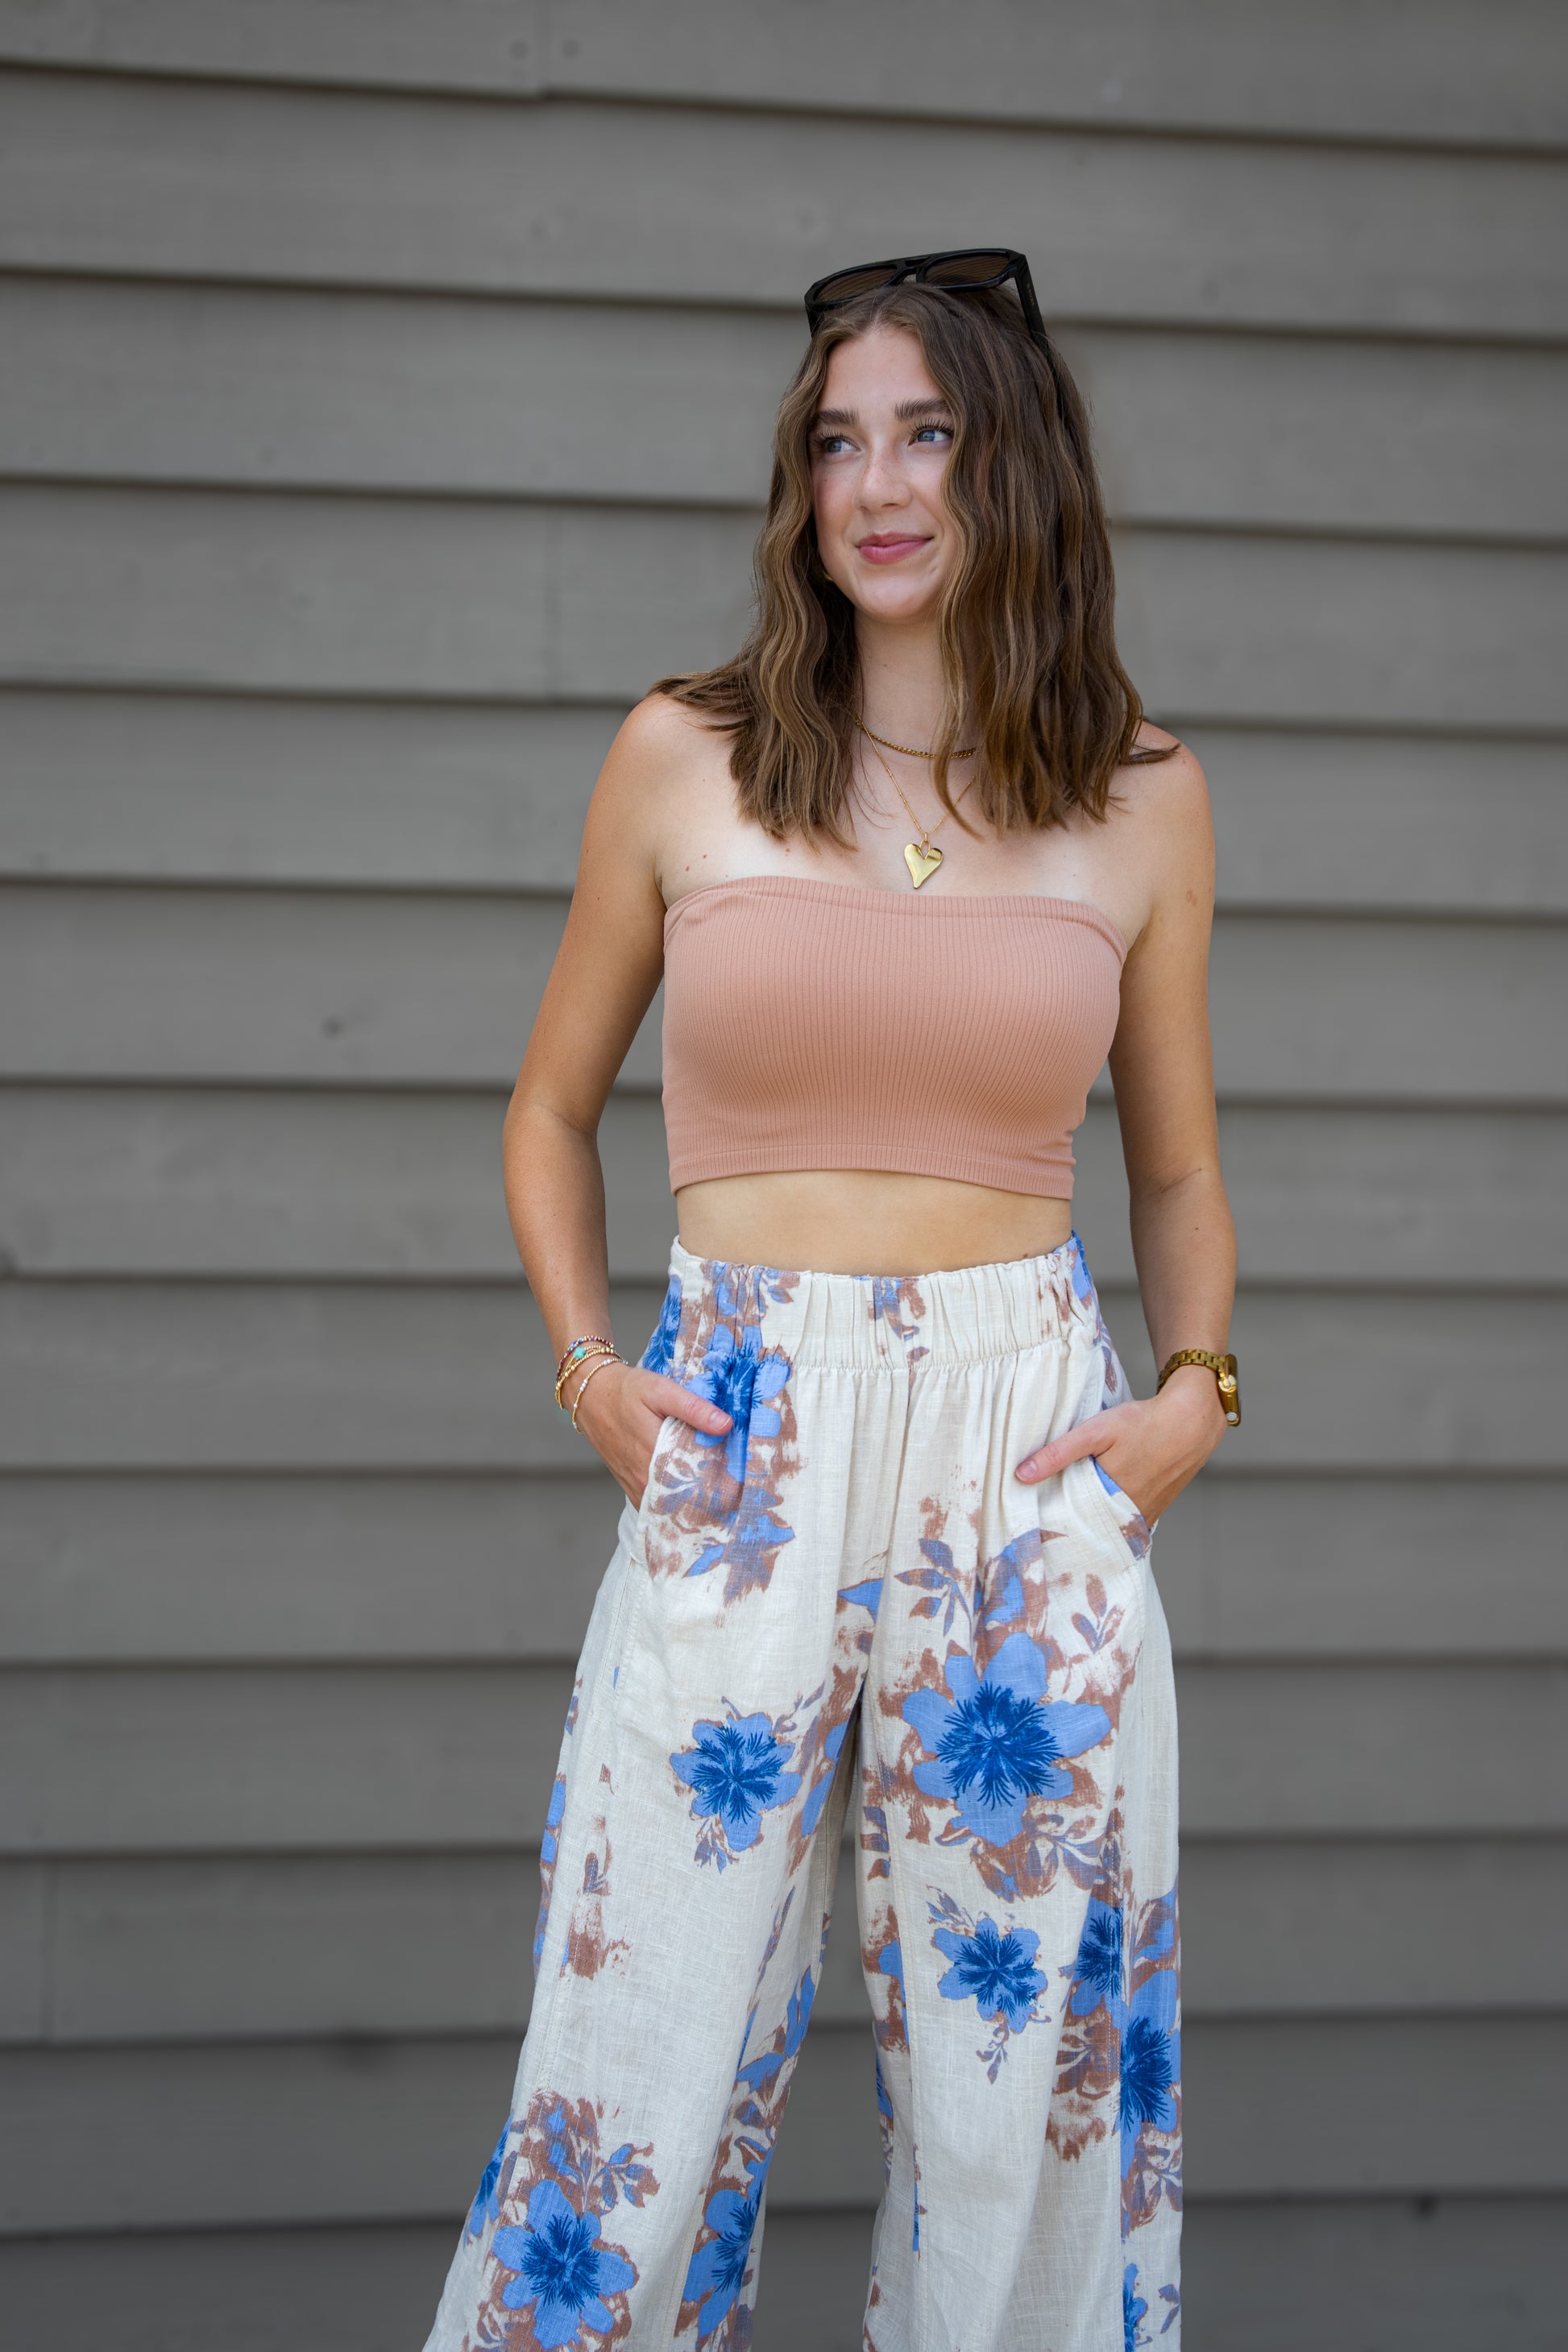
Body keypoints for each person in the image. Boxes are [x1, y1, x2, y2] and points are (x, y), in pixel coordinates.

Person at [424, 248, 1236, 2352]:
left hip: (1023, 1448)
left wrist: (1194, 1392)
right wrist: (590, 1368)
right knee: (635, 2059)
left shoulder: (1140, 793)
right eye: (837, 442)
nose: (875, 485)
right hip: (742, 1433)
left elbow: (1170, 1162)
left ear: (1015, 461)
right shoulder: (684, 757)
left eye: (927, 434)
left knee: (1026, 2092)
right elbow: (546, 1107)